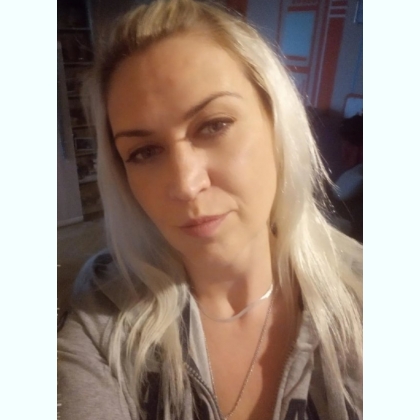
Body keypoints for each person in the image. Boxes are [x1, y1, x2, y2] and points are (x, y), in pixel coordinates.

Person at [57, 1, 363, 419]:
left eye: (214, 125)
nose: (186, 185)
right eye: (144, 152)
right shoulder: (104, 318)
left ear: (276, 122)